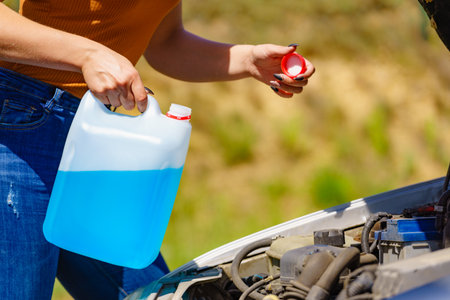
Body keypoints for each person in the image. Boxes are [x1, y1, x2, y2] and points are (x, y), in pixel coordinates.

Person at [0, 1, 315, 299]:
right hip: (17, 120)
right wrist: (88, 55)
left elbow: (165, 43)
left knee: (163, 293)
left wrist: (246, 60)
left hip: (95, 138)